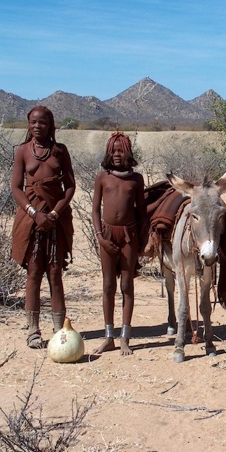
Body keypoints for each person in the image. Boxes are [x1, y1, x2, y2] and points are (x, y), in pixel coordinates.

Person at [11, 105, 75, 349]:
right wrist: (34, 214)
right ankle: (33, 330)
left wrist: (55, 213)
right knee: (34, 272)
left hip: (56, 219)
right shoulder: (22, 152)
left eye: (42, 123)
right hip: (31, 219)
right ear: (28, 125)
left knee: (56, 273)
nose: (37, 126)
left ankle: (60, 330)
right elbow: (16, 187)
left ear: (51, 125)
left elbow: (70, 186)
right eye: (33, 122)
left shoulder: (60, 151)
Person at [91, 131, 146, 355]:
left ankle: (125, 337)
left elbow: (142, 213)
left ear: (128, 153)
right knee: (107, 286)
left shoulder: (136, 179)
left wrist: (139, 240)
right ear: (107, 152)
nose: (116, 154)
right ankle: (108, 337)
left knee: (126, 285)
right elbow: (95, 210)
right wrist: (101, 238)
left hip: (129, 235)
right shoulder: (102, 177)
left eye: (120, 151)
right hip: (106, 233)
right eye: (113, 151)